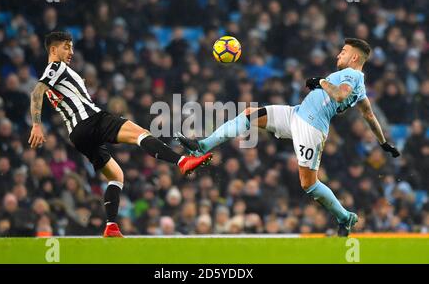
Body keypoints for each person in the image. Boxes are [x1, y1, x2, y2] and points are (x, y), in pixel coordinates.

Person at [176, 38, 400, 236]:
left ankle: (344, 217)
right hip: (296, 113)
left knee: (309, 184)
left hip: (311, 128)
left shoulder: (351, 75)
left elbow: (340, 96)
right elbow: (369, 115)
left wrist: (320, 82)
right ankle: (202, 145)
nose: (338, 54)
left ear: (354, 57)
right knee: (249, 115)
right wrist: (383, 142)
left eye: (342, 51)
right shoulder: (360, 87)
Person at [28, 32, 212, 238]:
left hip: (77, 135)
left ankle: (111, 226)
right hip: (90, 120)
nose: (70, 52)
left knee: (116, 176)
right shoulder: (55, 67)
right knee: (140, 134)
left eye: (71, 47)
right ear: (53, 49)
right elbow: (36, 92)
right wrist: (36, 125)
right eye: (66, 47)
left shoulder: (60, 73)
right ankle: (182, 162)